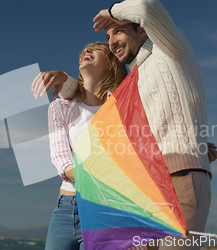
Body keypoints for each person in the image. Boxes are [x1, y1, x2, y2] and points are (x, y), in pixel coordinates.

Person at [33, 1, 217, 249]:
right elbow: (152, 128)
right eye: (108, 36)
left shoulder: (166, 54)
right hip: (103, 197)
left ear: (142, 31)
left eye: (118, 31)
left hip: (141, 191)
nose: (111, 40)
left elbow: (147, 8)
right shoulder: (133, 85)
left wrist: (111, 12)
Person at [44, 42, 149, 250]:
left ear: (111, 64)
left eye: (96, 49)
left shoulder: (122, 108)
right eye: (84, 51)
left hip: (107, 209)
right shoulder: (60, 107)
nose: (87, 52)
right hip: (67, 208)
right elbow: (62, 161)